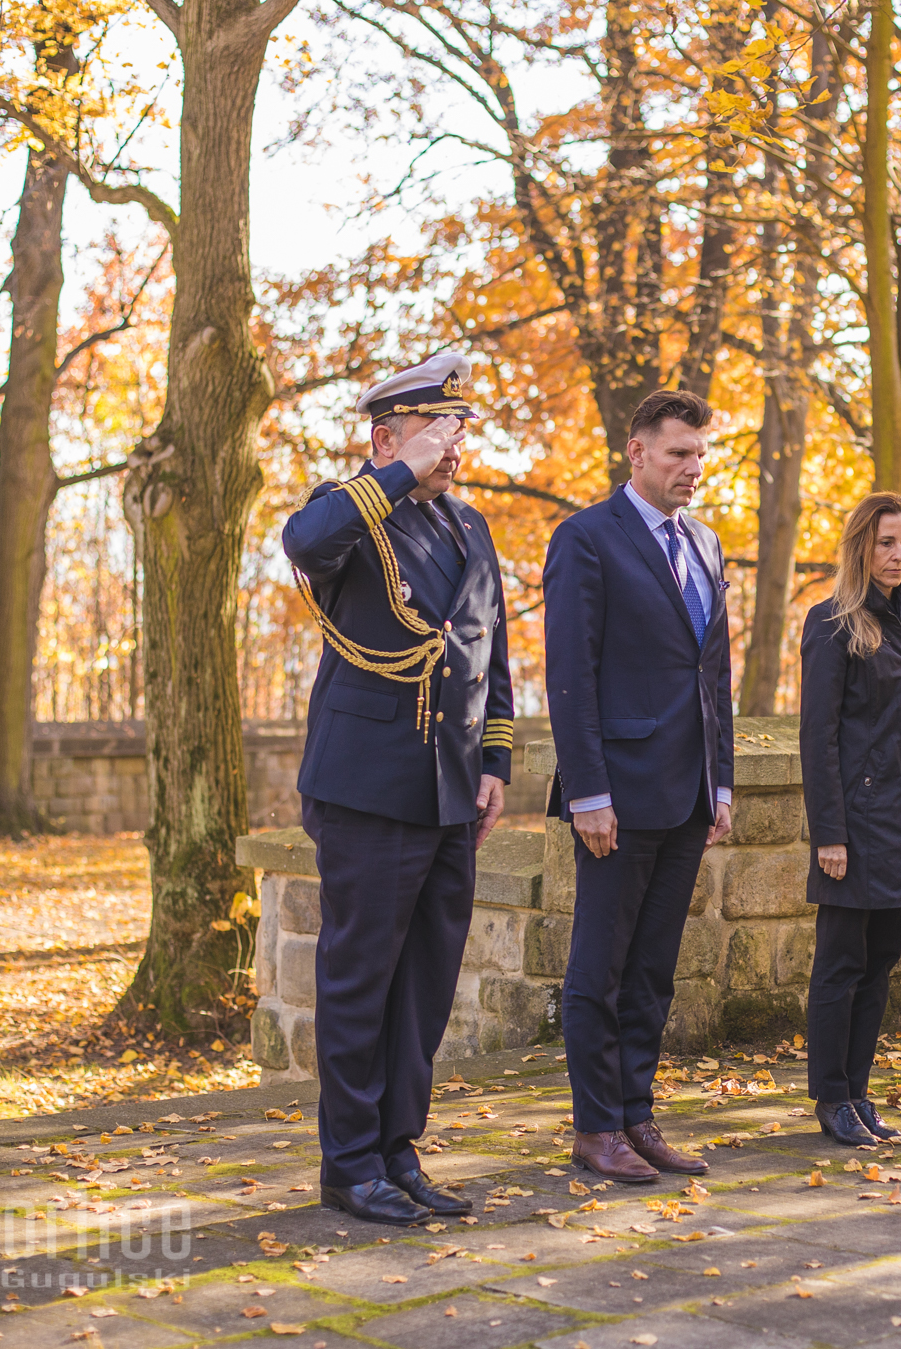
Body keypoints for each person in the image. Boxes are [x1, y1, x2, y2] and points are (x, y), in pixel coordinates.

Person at [281, 351, 515, 1227]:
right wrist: (398, 472)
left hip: (451, 789)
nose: (454, 444)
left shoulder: (471, 528)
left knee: (423, 983)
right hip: (371, 788)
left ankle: (396, 1149)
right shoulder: (349, 513)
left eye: (460, 429)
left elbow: (495, 655)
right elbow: (302, 546)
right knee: (359, 980)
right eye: (435, 429)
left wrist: (494, 763)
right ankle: (348, 1164)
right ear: (386, 437)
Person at [544, 389, 734, 1184]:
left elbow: (712, 674)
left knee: (654, 968)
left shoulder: (708, 544)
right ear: (637, 453)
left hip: (688, 794)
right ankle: (595, 1128)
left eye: (699, 454)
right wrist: (588, 791)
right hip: (616, 796)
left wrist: (720, 783)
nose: (692, 467)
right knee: (602, 965)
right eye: (678, 453)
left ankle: (636, 1115)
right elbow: (570, 675)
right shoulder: (587, 538)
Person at [797, 492, 901, 1148]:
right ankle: (830, 1095)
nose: (897, 554)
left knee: (881, 964)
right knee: (840, 964)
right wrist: (829, 831)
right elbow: (817, 735)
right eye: (886, 542)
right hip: (855, 828)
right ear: (862, 545)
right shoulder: (832, 623)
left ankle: (859, 1092)